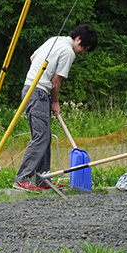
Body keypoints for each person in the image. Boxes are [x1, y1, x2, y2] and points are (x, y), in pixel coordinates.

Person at [13, 25, 98, 192]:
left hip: (35, 90)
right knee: (40, 137)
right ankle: (22, 178)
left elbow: (33, 58)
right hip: (37, 92)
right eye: (84, 48)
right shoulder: (68, 52)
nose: (82, 52)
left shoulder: (54, 40)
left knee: (45, 137)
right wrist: (55, 102)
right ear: (78, 39)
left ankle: (42, 179)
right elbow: (56, 80)